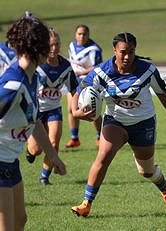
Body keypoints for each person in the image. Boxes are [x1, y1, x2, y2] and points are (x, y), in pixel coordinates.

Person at [70, 32, 166, 217]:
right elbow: (79, 89)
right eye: (123, 52)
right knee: (103, 156)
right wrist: (75, 111)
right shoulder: (101, 71)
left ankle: (165, 188)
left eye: (131, 52)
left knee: (146, 171)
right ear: (114, 51)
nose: (127, 56)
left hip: (143, 123)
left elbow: (161, 93)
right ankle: (86, 204)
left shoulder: (147, 70)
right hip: (115, 121)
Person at [0, 12, 66, 230]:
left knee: (20, 221)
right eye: (47, 44)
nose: (51, 49)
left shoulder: (33, 77)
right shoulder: (13, 84)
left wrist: (52, 155)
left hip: (11, 163)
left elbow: (33, 119)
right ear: (37, 48)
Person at [25, 28, 78, 185]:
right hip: (36, 111)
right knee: (36, 149)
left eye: (57, 44)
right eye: (51, 45)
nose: (54, 48)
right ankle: (30, 151)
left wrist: (77, 106)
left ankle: (44, 177)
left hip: (54, 110)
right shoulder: (36, 65)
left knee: (54, 141)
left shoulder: (65, 66)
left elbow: (74, 89)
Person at [65, 24, 103, 148]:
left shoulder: (94, 49)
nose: (82, 36)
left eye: (84, 34)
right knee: (71, 109)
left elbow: (97, 67)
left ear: (88, 35)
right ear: (75, 35)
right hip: (73, 81)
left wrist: (82, 72)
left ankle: (100, 136)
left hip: (88, 83)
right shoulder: (71, 45)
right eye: (79, 34)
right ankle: (74, 138)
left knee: (93, 111)